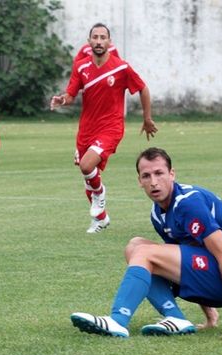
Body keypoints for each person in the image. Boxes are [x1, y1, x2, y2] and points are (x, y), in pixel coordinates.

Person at [70, 147, 222, 337]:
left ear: (172, 174)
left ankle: (118, 320)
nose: (154, 182)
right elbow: (186, 254)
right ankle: (176, 317)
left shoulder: (189, 203)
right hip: (209, 273)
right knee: (135, 246)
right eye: (146, 176)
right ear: (139, 181)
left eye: (159, 173)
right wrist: (209, 315)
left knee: (144, 252)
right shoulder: (157, 214)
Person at [50, 23, 158, 233]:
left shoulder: (121, 68)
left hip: (111, 127)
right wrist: (62, 100)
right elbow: (71, 95)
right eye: (95, 37)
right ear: (89, 42)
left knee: (86, 166)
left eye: (103, 37)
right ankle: (100, 218)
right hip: (86, 129)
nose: (99, 41)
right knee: (89, 176)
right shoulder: (81, 67)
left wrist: (147, 118)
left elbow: (143, 88)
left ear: (109, 42)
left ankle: (100, 195)